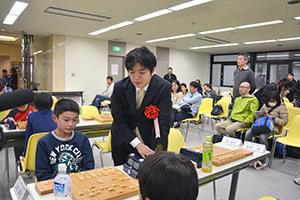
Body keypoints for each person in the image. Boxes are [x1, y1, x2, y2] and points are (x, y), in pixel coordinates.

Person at [111, 46, 172, 166]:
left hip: (149, 141)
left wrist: (159, 151)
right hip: (123, 140)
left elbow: (163, 122)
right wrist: (137, 144)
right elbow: (119, 120)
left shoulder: (163, 88)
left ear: (153, 70)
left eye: (142, 72)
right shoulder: (120, 88)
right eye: (132, 72)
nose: (136, 77)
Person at [35, 99, 94, 181]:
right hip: (55, 187)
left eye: (74, 120)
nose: (71, 124)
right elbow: (42, 175)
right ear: (55, 118)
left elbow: (89, 168)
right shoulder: (44, 143)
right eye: (66, 120)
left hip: (80, 183)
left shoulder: (82, 139)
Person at [23, 92, 57, 157]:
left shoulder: (31, 116)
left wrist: (25, 156)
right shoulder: (56, 115)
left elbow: (28, 138)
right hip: (54, 154)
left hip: (37, 155)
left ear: (35, 106)